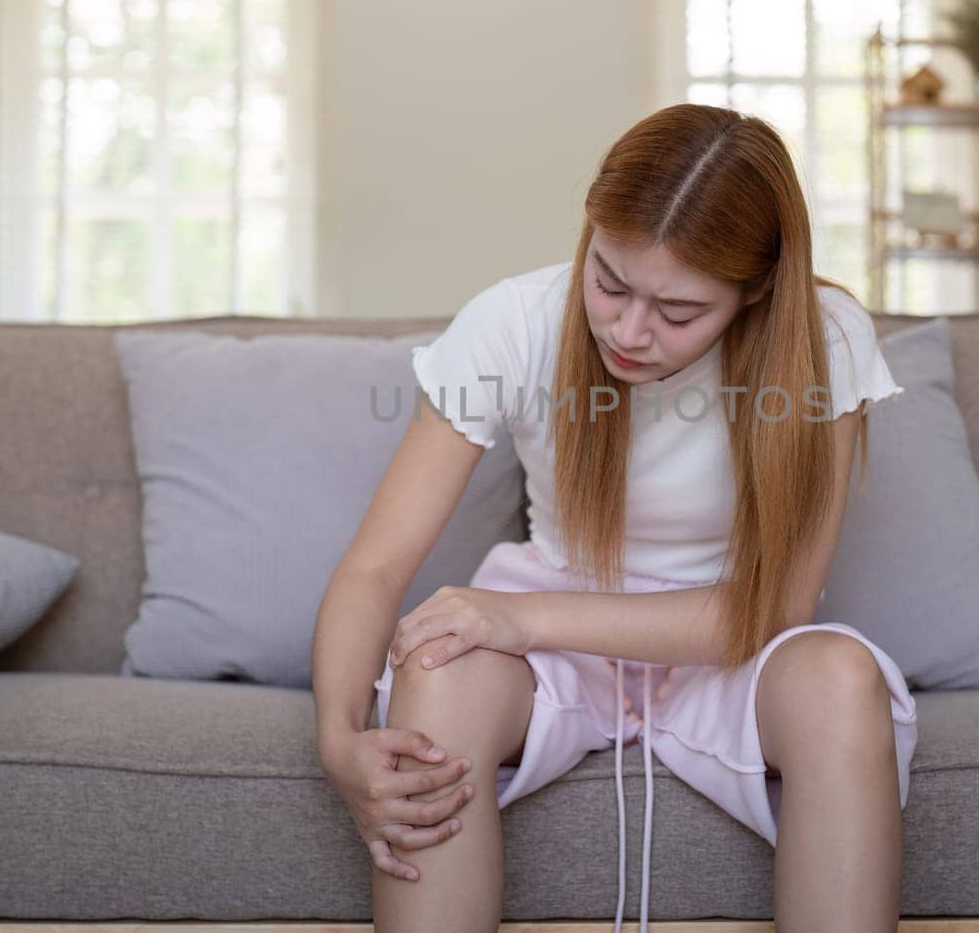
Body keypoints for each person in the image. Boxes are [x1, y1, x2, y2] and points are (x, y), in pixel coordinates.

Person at [312, 102, 917, 932]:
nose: (629, 332)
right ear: (591, 230)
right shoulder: (515, 321)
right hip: (557, 643)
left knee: (841, 680)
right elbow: (376, 565)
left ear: (756, 290)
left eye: (678, 313)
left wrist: (520, 616)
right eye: (609, 282)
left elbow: (774, 607)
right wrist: (339, 737)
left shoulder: (827, 338)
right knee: (438, 667)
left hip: (730, 640)